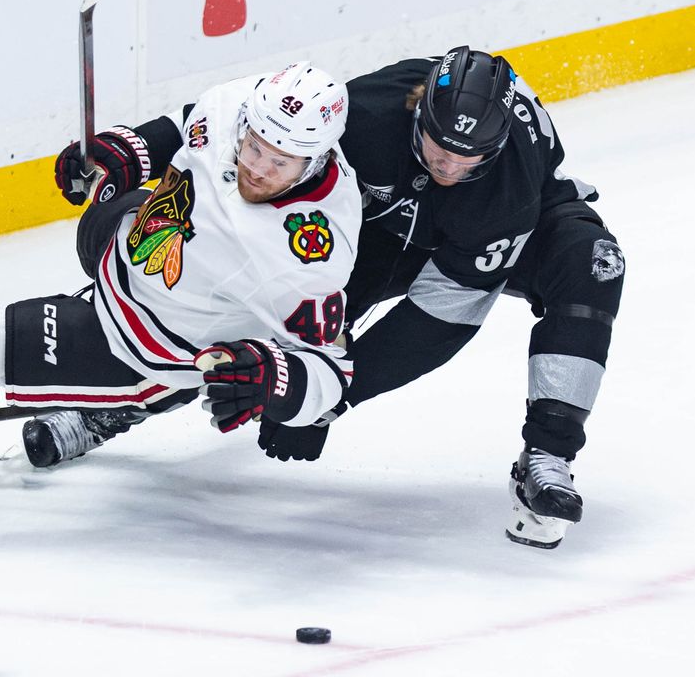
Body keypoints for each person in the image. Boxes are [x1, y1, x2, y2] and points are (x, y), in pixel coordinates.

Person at [0, 62, 363, 468]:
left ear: (316, 160)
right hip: (128, 251)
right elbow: (184, 126)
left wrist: (277, 385)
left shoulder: (309, 256)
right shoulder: (241, 104)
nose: (257, 167)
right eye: (254, 146)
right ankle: (112, 409)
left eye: (279, 162)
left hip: (145, 340)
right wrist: (125, 149)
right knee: (102, 217)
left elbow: (333, 372)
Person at [261, 46, 624, 549]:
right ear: (418, 113)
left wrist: (331, 396)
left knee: (594, 263)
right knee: (273, 317)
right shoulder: (365, 113)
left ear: (496, 145)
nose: (449, 166)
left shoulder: (509, 185)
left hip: (506, 228)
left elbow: (438, 319)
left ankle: (547, 457)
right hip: (388, 225)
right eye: (438, 148)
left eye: (467, 155)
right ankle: (140, 389)